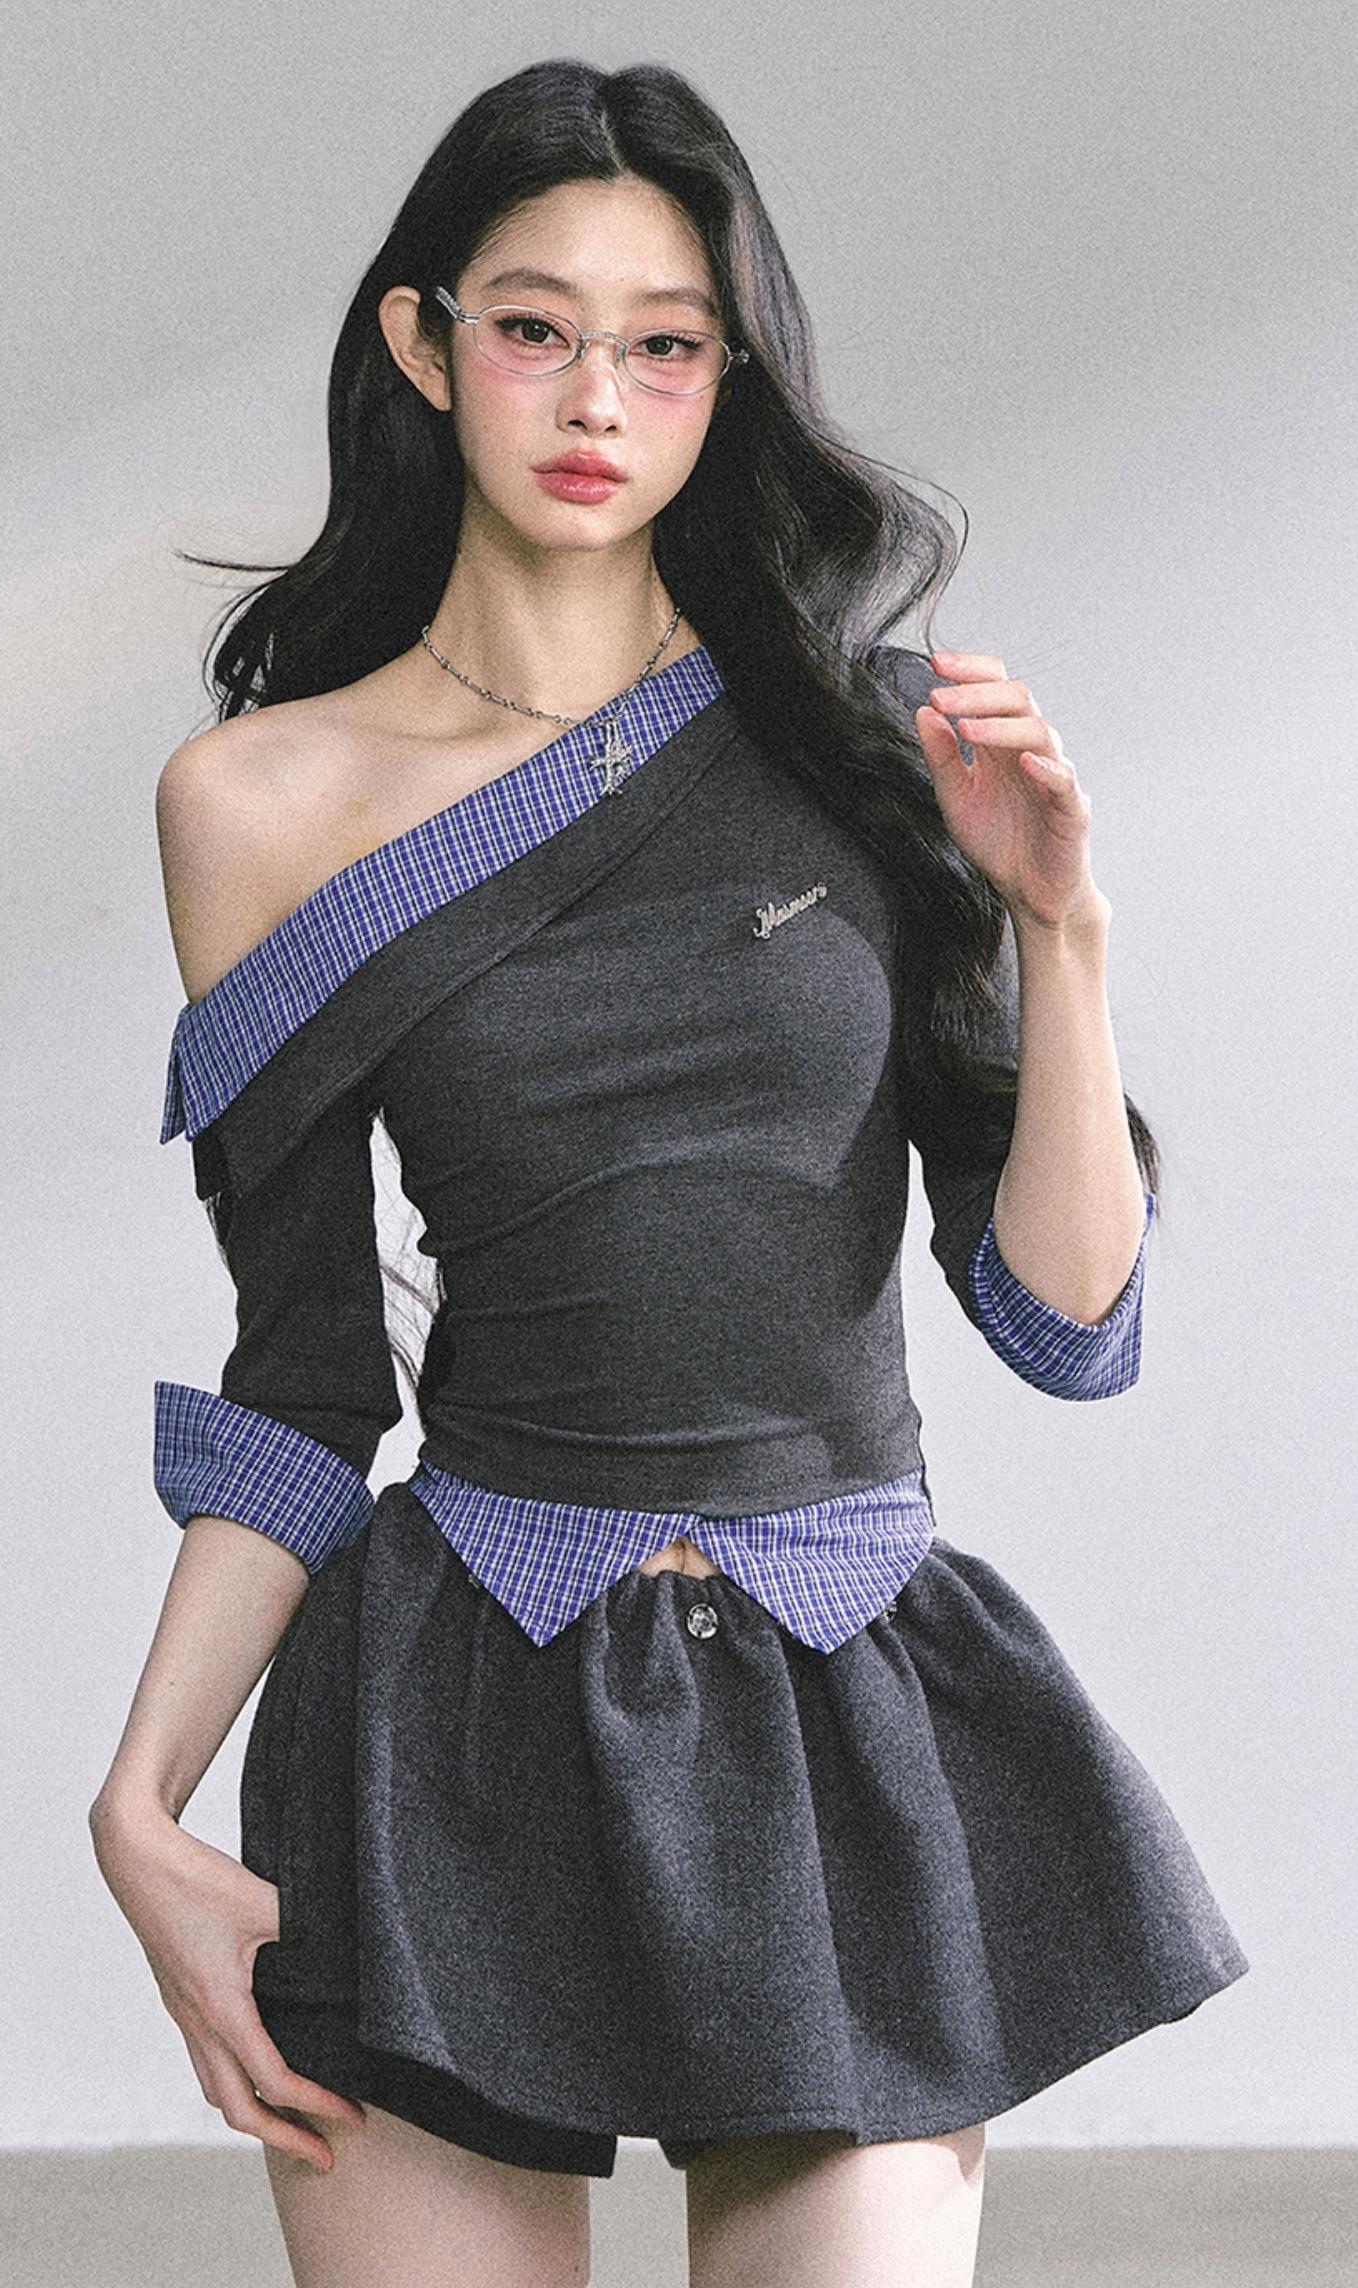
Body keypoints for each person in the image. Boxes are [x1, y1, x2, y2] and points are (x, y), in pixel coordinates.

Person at [88, 56, 1249, 2288]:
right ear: (425, 342)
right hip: (452, 1728)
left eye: (666, 343)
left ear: (730, 378)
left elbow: (1067, 1326)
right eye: (535, 327)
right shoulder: (256, 804)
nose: (596, 397)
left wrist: (1060, 927)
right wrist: (139, 1802)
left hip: (840, 1699)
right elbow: (306, 1374)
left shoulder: (870, 742)